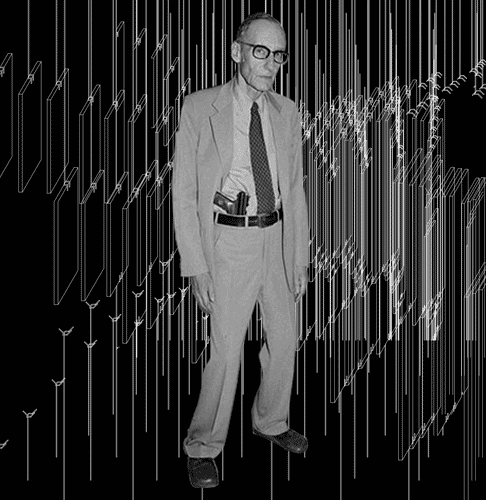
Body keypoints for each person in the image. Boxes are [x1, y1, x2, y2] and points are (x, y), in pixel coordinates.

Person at [172, 12, 309, 488]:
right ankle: (202, 445)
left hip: (276, 237)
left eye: (279, 55)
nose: (271, 64)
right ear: (236, 52)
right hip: (229, 243)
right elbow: (184, 192)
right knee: (226, 351)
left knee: (286, 341)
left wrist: (299, 257)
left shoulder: (287, 112)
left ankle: (270, 421)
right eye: (260, 51)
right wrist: (196, 265)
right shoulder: (199, 107)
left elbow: (295, 189)